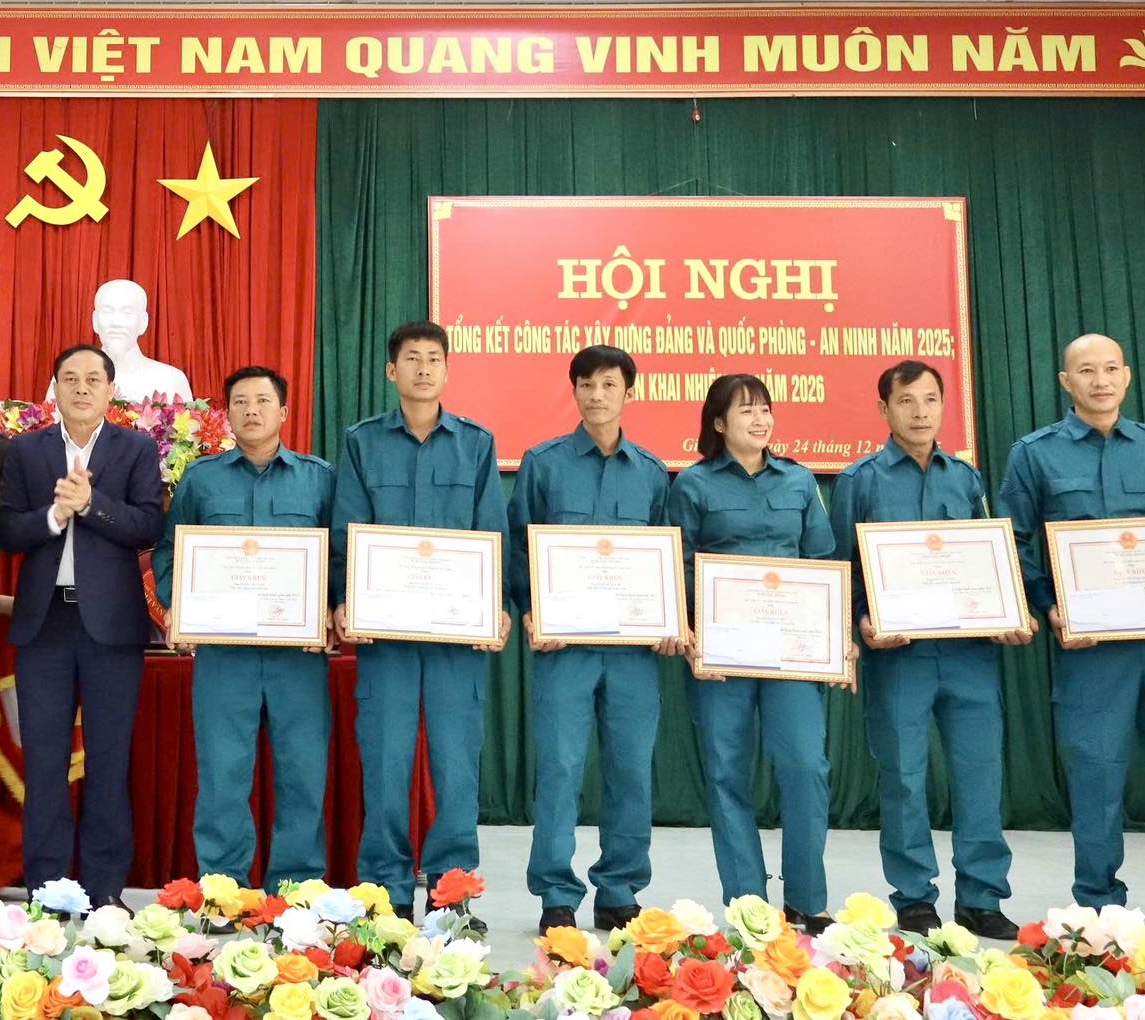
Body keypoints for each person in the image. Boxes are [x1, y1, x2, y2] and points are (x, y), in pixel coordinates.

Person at [996, 333, 1145, 944]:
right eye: (1086, 371)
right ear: (1066, 382)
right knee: (1096, 777)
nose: (1100, 380)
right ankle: (1099, 911)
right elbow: (1013, 542)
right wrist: (1051, 607)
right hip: (1091, 650)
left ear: (1127, 376)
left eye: (1110, 369)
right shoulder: (1034, 454)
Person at [830, 360, 1031, 938]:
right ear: (884, 410)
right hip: (900, 657)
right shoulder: (859, 480)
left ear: (945, 406)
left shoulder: (966, 478)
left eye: (931, 400)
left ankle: (981, 897)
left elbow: (989, 559)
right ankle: (914, 896)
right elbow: (841, 569)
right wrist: (862, 620)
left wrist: (1009, 612)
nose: (920, 412)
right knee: (904, 778)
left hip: (970, 655)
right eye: (907, 401)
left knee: (980, 776)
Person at [330, 320, 509, 920]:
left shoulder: (476, 444)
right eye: (411, 358)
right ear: (392, 370)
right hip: (386, 635)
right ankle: (385, 892)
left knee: (457, 765)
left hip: (458, 636)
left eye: (434, 358)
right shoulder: (362, 443)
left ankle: (452, 893)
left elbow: (492, 533)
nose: (423, 368)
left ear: (448, 370)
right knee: (386, 761)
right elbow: (347, 531)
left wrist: (495, 608)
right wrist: (345, 599)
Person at [506, 345, 678, 935]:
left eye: (609, 384)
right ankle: (556, 893)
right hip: (565, 650)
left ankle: (619, 889)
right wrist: (532, 610)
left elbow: (667, 557)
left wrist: (668, 619)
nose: (597, 395)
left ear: (630, 391)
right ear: (574, 391)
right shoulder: (543, 464)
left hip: (633, 655)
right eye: (586, 384)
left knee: (630, 769)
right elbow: (519, 547)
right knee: (559, 768)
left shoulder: (652, 472)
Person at [667, 373, 845, 934]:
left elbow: (821, 563)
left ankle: (807, 900)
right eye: (745, 411)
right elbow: (678, 566)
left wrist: (836, 640)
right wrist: (690, 628)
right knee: (727, 774)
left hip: (792, 653)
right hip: (721, 653)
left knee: (806, 767)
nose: (759, 419)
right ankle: (748, 905)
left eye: (765, 408)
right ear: (719, 423)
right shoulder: (692, 484)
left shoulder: (799, 481)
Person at [0, 343, 166, 908]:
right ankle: (46, 890)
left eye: (94, 378)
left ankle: (105, 890)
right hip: (44, 625)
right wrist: (54, 515)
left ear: (111, 390)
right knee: (44, 763)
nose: (82, 388)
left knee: (109, 761)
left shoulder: (137, 448)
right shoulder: (27, 451)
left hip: (112, 628)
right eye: (70, 378)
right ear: (55, 389)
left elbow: (148, 525)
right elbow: (8, 530)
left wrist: (92, 505)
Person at [152, 366, 332, 889]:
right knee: (222, 774)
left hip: (297, 657)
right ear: (226, 413)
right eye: (240, 402)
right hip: (223, 654)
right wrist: (178, 606)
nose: (251, 410)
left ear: (284, 411)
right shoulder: (201, 478)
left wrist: (331, 607)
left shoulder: (319, 478)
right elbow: (170, 551)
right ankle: (223, 886)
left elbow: (339, 554)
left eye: (262, 400)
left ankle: (296, 889)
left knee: (302, 773)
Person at [45, 279, 193, 403]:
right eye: (107, 311)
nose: (116, 322)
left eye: (127, 313)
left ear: (143, 322)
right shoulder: (67, 377)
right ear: (95, 321)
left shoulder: (170, 380)